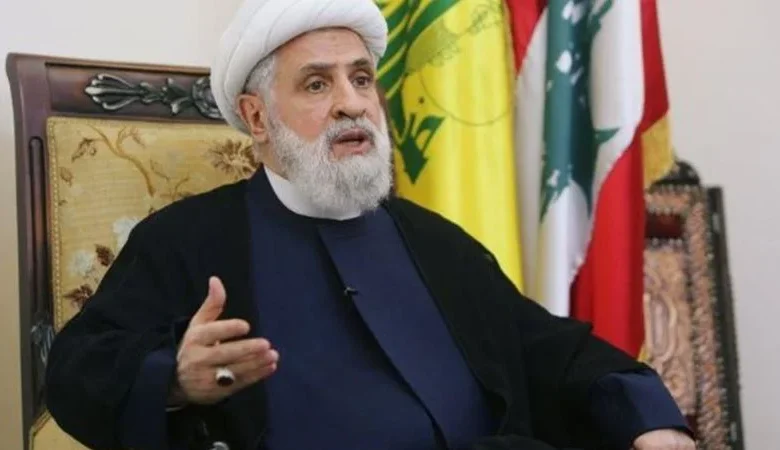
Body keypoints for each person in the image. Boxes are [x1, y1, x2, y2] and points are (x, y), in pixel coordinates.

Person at [44, 1, 697, 449]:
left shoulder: (435, 242)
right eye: (317, 85)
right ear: (258, 117)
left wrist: (648, 418)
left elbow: (548, 349)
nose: (352, 103)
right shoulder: (187, 240)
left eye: (361, 79)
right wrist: (172, 377)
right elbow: (75, 371)